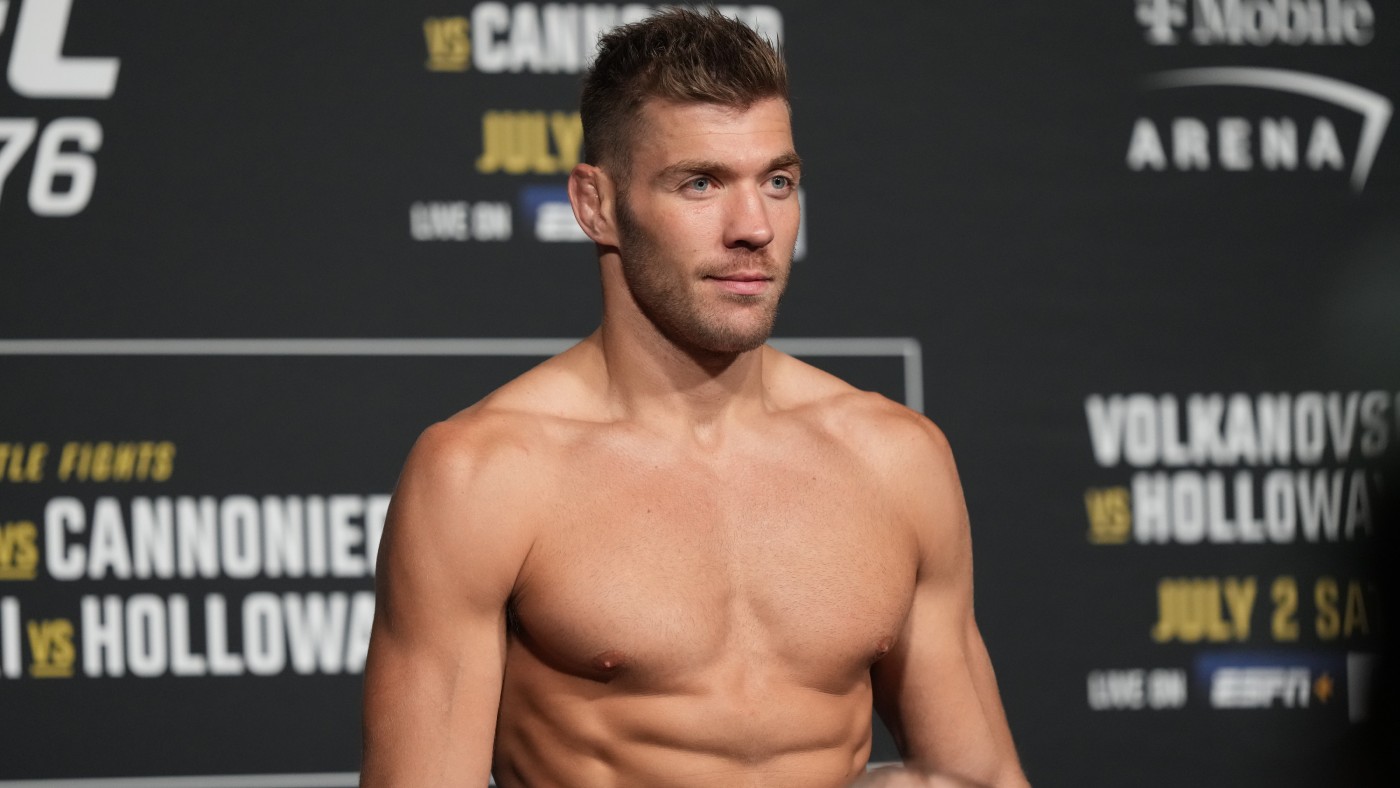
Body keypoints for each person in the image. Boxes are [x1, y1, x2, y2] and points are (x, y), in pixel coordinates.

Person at [360, 9, 1027, 788]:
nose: (754, 228)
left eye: (778, 182)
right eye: (701, 183)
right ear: (595, 204)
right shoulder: (485, 475)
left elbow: (981, 777)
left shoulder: (896, 459)